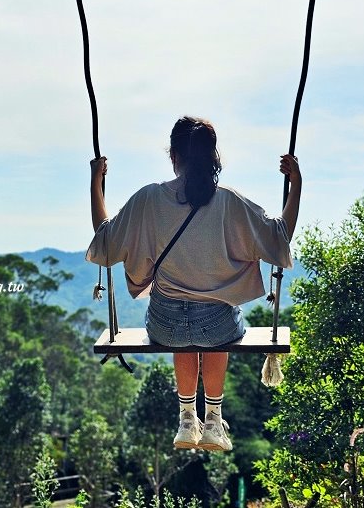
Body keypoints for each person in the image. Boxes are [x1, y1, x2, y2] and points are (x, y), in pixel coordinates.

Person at [86, 116, 302, 452]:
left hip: (165, 325)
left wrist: (95, 182)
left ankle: (187, 418)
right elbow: (279, 236)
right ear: (213, 156)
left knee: (181, 324)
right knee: (218, 318)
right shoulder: (230, 201)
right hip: (217, 326)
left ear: (173, 155)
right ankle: (213, 420)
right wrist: (296, 183)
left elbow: (105, 239)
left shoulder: (148, 198)